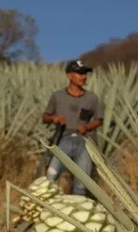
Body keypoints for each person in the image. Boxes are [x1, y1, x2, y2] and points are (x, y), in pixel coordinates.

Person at [41, 59, 104, 196]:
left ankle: (78, 213)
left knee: (82, 183)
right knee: (51, 177)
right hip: (63, 139)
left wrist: (87, 126)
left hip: (84, 142)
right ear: (69, 75)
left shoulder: (91, 98)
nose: (83, 77)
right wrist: (54, 118)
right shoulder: (57, 96)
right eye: (80, 73)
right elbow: (45, 117)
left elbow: (99, 120)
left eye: (85, 74)